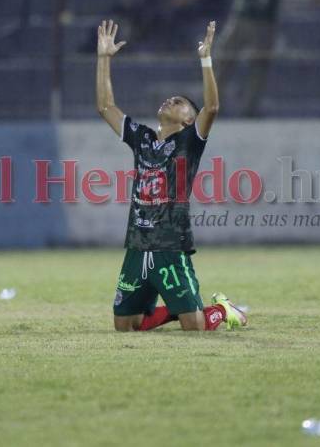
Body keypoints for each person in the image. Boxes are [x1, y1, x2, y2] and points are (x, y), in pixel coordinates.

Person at [96, 19, 247, 332]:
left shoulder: (189, 142)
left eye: (179, 102)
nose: (170, 100)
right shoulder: (143, 138)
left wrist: (206, 58)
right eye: (171, 99)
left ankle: (222, 311)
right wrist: (104, 58)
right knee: (125, 326)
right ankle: (179, 307)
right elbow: (105, 106)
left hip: (169, 246)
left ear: (189, 120)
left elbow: (213, 106)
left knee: (194, 326)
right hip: (138, 244)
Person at [216, 0, 303, 117]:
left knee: (258, 67)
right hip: (240, 18)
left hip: (265, 22)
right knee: (223, 60)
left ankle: (249, 108)